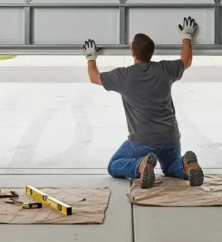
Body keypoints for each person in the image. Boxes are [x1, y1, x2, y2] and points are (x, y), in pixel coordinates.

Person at [82, 16, 204, 189]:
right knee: (170, 168)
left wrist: (91, 57)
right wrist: (187, 35)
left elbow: (94, 77)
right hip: (170, 138)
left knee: (114, 165)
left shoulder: (123, 76)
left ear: (133, 53)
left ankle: (140, 165)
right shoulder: (164, 70)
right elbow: (186, 61)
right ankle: (185, 164)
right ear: (151, 53)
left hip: (142, 142)